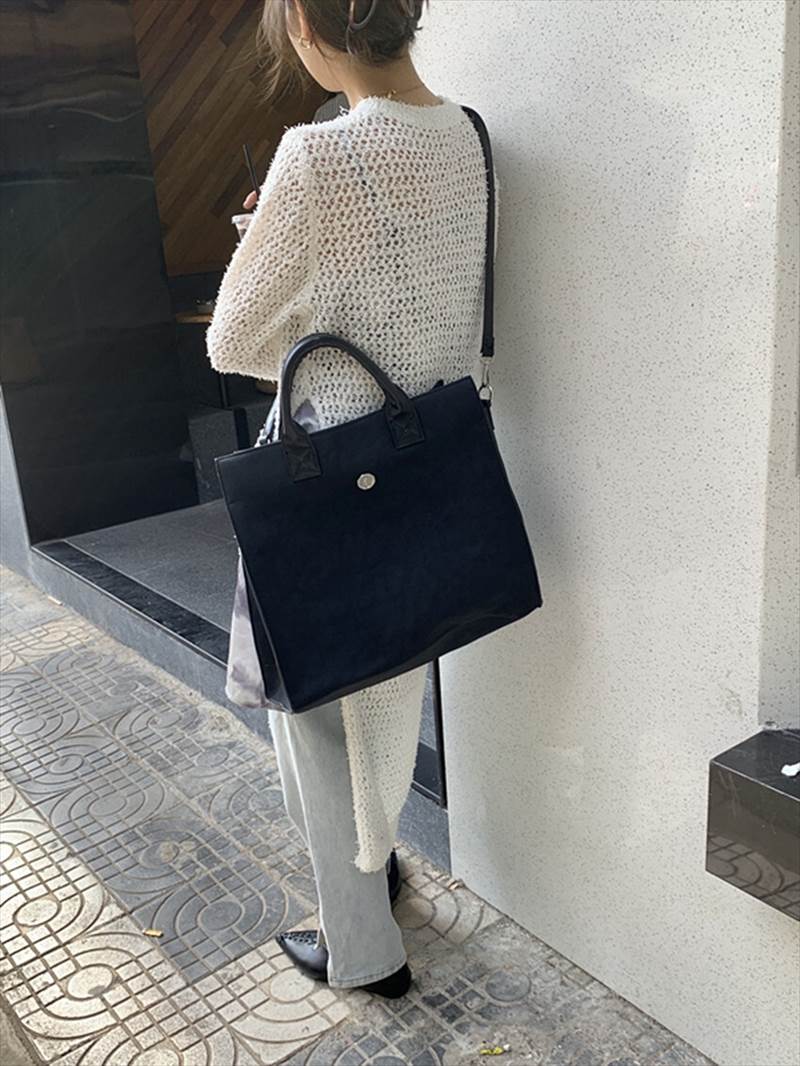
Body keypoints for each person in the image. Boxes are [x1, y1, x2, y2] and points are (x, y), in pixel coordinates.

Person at [206, 0, 498, 999]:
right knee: (385, 683)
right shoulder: (469, 135)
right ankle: (379, 868)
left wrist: (271, 245)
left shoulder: (316, 156)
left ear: (302, 20)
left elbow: (233, 342)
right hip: (423, 472)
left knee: (313, 710)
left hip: (327, 478)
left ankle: (362, 949)